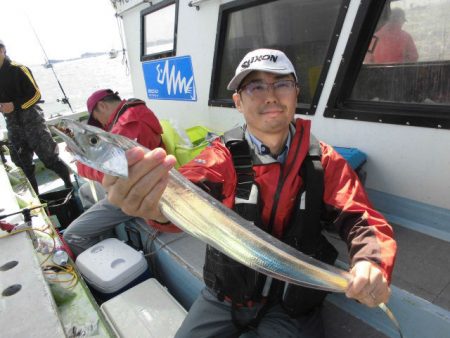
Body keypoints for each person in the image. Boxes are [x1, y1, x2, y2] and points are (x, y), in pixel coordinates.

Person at [103, 49, 397, 337]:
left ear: (296, 94)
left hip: (294, 306)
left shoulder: (325, 161)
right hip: (225, 296)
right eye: (255, 86)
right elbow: (188, 189)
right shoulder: (220, 157)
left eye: (282, 84)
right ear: (238, 103)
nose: (270, 95)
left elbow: (361, 218)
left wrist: (371, 264)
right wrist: (153, 203)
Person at [63, 89, 179, 257]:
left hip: (137, 188)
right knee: (84, 190)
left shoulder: (128, 122)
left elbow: (113, 170)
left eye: (96, 118)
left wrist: (80, 160)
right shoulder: (131, 113)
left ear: (101, 106)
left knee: (72, 235)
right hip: (138, 181)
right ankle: (107, 238)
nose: (101, 124)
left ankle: (111, 269)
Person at [0, 39, 72, 194]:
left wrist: (15, 105)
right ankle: (37, 199)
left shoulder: (18, 69)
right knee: (23, 164)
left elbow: (36, 95)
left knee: (50, 159)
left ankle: (69, 186)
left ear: (3, 50)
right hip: (13, 125)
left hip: (32, 121)